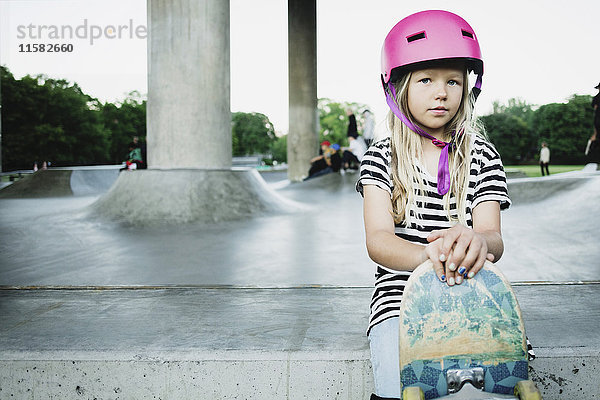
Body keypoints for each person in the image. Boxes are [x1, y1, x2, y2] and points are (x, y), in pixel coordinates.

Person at [355, 11, 533, 399]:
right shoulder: (381, 157)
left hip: (474, 296)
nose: (442, 92)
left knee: (500, 386)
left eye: (453, 80)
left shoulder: (482, 155)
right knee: (398, 387)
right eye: (426, 80)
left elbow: (493, 238)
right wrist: (427, 254)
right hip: (400, 302)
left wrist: (479, 242)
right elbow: (379, 241)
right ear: (397, 87)